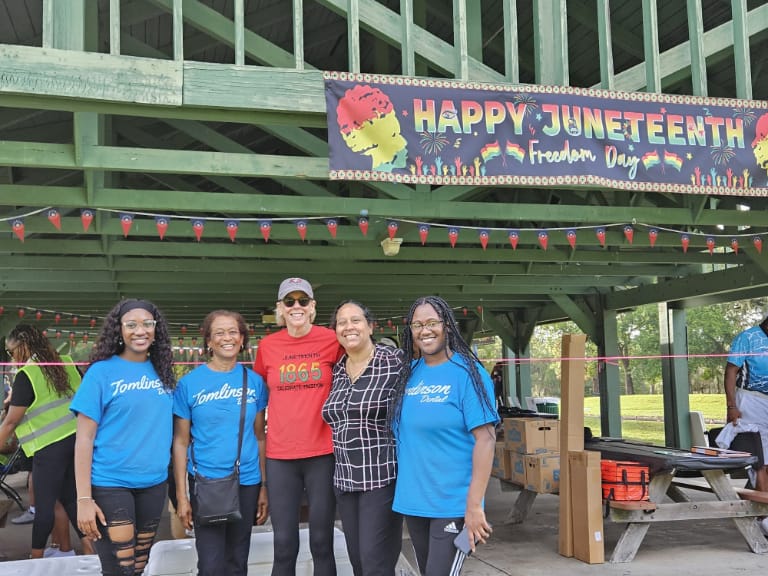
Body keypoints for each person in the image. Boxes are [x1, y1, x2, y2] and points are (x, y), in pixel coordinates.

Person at [389, 296, 498, 576]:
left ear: (447, 325)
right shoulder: (409, 374)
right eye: (417, 325)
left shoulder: (468, 374)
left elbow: (485, 440)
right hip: (415, 501)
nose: (425, 330)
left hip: (452, 503)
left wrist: (474, 506)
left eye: (432, 323)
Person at [71, 299, 176, 576]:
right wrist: (83, 499)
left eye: (147, 324)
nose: (139, 331)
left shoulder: (163, 372)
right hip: (111, 483)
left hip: (153, 485)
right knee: (120, 569)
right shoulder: (101, 372)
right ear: (119, 330)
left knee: (139, 568)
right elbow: (83, 438)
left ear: (156, 330)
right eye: (131, 325)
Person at [253, 277, 342, 576]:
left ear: (313, 307)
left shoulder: (332, 339)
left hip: (322, 452)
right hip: (280, 456)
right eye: (289, 301)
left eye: (302, 301)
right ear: (280, 308)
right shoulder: (267, 346)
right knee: (283, 543)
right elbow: (259, 400)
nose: (296, 307)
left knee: (321, 541)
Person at [173, 310, 269, 576]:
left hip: (246, 481)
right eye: (219, 333)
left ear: (242, 339)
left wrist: (263, 487)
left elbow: (260, 436)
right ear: (208, 341)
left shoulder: (255, 382)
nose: (227, 338)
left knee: (238, 561)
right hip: (206, 484)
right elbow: (180, 443)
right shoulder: (189, 384)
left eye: (233, 332)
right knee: (211, 564)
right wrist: (182, 497)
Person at [322, 301, 404, 576]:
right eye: (342, 322)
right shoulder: (336, 372)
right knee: (357, 560)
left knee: (375, 561)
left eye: (355, 320)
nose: (348, 327)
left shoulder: (394, 362)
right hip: (345, 480)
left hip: (381, 476)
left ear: (370, 326)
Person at [0, 324, 83, 559]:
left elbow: (10, 422)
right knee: (72, 500)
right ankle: (92, 554)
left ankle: (35, 560)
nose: (11, 356)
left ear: (23, 347)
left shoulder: (28, 374)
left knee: (44, 506)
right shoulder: (66, 362)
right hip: (76, 442)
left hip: (49, 447)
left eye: (11, 351)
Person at [723, 317, 768, 498]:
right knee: (760, 456)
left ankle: (757, 503)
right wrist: (731, 406)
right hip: (751, 399)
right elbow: (730, 371)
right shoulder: (748, 337)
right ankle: (763, 512)